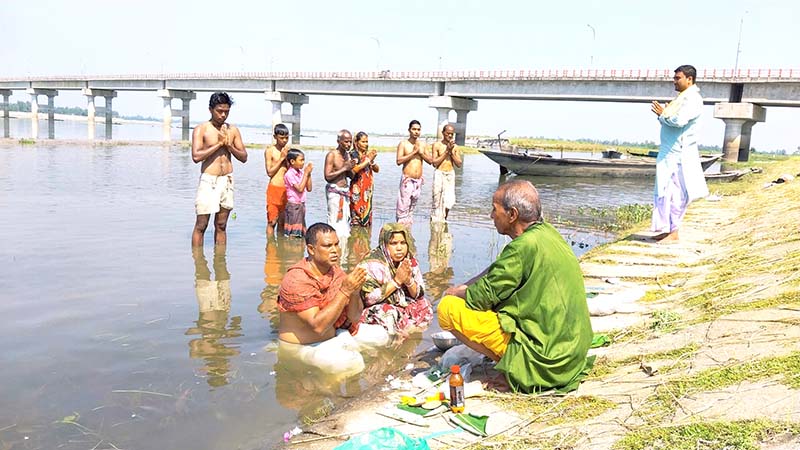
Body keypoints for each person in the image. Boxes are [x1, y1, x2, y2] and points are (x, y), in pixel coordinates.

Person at [437, 180, 594, 394]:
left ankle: (515, 370)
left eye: (494, 209)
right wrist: (465, 284)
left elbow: (480, 297)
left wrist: (454, 292)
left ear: (512, 214)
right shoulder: (547, 233)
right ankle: (512, 360)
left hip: (548, 361)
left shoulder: (521, 248)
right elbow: (496, 271)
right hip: (572, 353)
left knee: (448, 308)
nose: (491, 216)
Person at [277, 223, 367, 374]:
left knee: (380, 337)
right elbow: (318, 326)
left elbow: (354, 317)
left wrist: (355, 292)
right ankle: (331, 393)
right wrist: (345, 291)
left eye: (337, 245)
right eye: (327, 246)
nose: (335, 251)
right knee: (350, 364)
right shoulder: (296, 279)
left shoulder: (336, 272)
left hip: (331, 338)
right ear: (311, 249)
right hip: (301, 348)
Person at [649, 64, 709, 243]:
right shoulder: (681, 98)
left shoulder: (693, 99)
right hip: (669, 153)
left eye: (678, 78)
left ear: (689, 79)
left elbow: (679, 121)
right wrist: (664, 115)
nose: (674, 81)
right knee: (664, 191)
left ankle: (674, 232)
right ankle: (666, 229)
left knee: (676, 194)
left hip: (679, 155)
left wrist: (663, 114)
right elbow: (669, 121)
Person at [190, 92, 248, 247]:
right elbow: (196, 157)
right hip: (209, 180)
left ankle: (220, 264)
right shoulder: (201, 129)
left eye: (226, 111)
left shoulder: (233, 130)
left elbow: (243, 157)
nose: (223, 115)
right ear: (211, 110)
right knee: (201, 225)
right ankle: (199, 266)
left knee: (221, 225)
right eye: (219, 111)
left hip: (227, 179)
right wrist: (219, 144)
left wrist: (229, 146)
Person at [357, 223, 433, 338]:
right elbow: (368, 299)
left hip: (400, 304)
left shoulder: (409, 260)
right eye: (393, 243)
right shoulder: (372, 264)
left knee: (424, 305)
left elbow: (419, 293)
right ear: (384, 245)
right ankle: (398, 334)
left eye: (403, 243)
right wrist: (396, 281)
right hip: (377, 307)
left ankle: (408, 330)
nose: (399, 248)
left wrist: (408, 281)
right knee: (387, 312)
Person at [188, 247, 241, 387]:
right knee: (216, 272)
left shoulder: (201, 353)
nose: (223, 365)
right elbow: (237, 343)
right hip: (218, 309)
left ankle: (206, 254)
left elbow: (191, 339)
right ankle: (204, 254)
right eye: (224, 368)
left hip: (214, 310)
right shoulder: (221, 352)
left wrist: (211, 340)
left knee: (212, 271)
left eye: (222, 368)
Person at [395, 120, 433, 226]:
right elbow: (398, 161)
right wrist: (413, 153)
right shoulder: (403, 144)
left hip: (418, 181)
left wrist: (421, 153)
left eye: (418, 129)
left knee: (412, 207)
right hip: (407, 179)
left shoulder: (423, 145)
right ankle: (399, 227)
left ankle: (408, 229)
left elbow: (430, 161)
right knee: (403, 205)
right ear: (409, 130)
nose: (416, 132)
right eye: (414, 129)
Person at [324, 130, 356, 239]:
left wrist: (351, 168)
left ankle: (343, 247)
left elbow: (351, 176)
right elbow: (327, 177)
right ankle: (331, 241)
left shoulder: (347, 155)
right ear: (339, 141)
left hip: (345, 192)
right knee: (333, 220)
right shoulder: (332, 155)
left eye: (350, 142)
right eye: (346, 142)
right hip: (334, 192)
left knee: (345, 222)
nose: (348, 145)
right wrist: (344, 168)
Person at [430, 123, 462, 222]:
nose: (450, 136)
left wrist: (451, 152)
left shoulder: (455, 147)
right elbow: (434, 163)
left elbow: (459, 164)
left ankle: (444, 218)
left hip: (450, 174)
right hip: (439, 173)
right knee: (437, 199)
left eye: (452, 134)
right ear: (443, 133)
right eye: (448, 133)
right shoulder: (437, 145)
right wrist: (446, 151)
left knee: (449, 201)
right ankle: (435, 220)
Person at [264, 124, 291, 237]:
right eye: (281, 138)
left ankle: (280, 250)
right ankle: (270, 249)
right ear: (275, 137)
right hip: (274, 188)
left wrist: (288, 159)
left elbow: (293, 171)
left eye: (286, 138)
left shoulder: (289, 151)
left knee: (283, 222)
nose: (284, 140)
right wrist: (281, 159)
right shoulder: (270, 151)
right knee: (272, 221)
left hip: (287, 190)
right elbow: (269, 172)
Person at [349, 131, 380, 227]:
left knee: (366, 215)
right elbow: (355, 169)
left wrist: (372, 161)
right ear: (356, 142)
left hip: (367, 190)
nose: (366, 144)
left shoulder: (367, 154)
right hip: (357, 189)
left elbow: (377, 169)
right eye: (363, 142)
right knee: (356, 216)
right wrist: (368, 160)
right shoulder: (353, 154)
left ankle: (365, 238)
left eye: (367, 142)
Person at [283, 149, 313, 238]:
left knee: (301, 232)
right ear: (292, 161)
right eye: (301, 160)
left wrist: (308, 174)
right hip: (293, 206)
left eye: (304, 160)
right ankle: (292, 250)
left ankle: (298, 249)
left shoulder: (301, 173)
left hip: (301, 205)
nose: (303, 163)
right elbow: (299, 189)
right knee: (293, 232)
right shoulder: (289, 174)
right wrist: (306, 173)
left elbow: (309, 188)